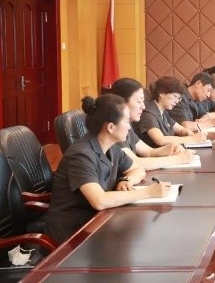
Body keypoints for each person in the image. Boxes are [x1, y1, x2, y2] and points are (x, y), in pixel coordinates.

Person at [46, 94, 171, 243]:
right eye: (126, 121)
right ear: (111, 127)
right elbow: (99, 200)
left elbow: (138, 169)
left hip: (98, 222)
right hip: (73, 236)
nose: (130, 126)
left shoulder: (111, 148)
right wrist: (148, 192)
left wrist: (126, 180)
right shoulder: (81, 155)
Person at [110, 78, 195, 169]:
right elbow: (135, 163)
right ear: (121, 102)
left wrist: (170, 148)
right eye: (139, 101)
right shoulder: (114, 127)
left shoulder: (128, 125)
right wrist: (179, 159)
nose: (143, 106)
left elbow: (148, 152)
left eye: (143, 101)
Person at [134, 75, 207, 147]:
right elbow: (160, 140)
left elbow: (181, 130)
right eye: (175, 96)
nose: (177, 101)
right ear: (161, 93)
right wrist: (192, 139)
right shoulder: (148, 113)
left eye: (179, 98)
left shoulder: (163, 112)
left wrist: (190, 133)